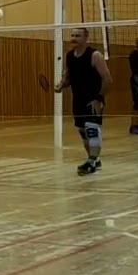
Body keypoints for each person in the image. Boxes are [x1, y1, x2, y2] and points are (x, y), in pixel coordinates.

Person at [55, 28, 113, 175]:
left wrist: (98, 99)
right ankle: (94, 159)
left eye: (78, 36)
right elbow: (68, 78)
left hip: (92, 100)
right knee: (83, 132)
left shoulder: (95, 55)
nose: (74, 38)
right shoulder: (69, 56)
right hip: (78, 100)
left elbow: (107, 79)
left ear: (86, 38)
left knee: (92, 130)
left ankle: (92, 162)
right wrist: (61, 85)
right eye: (72, 35)